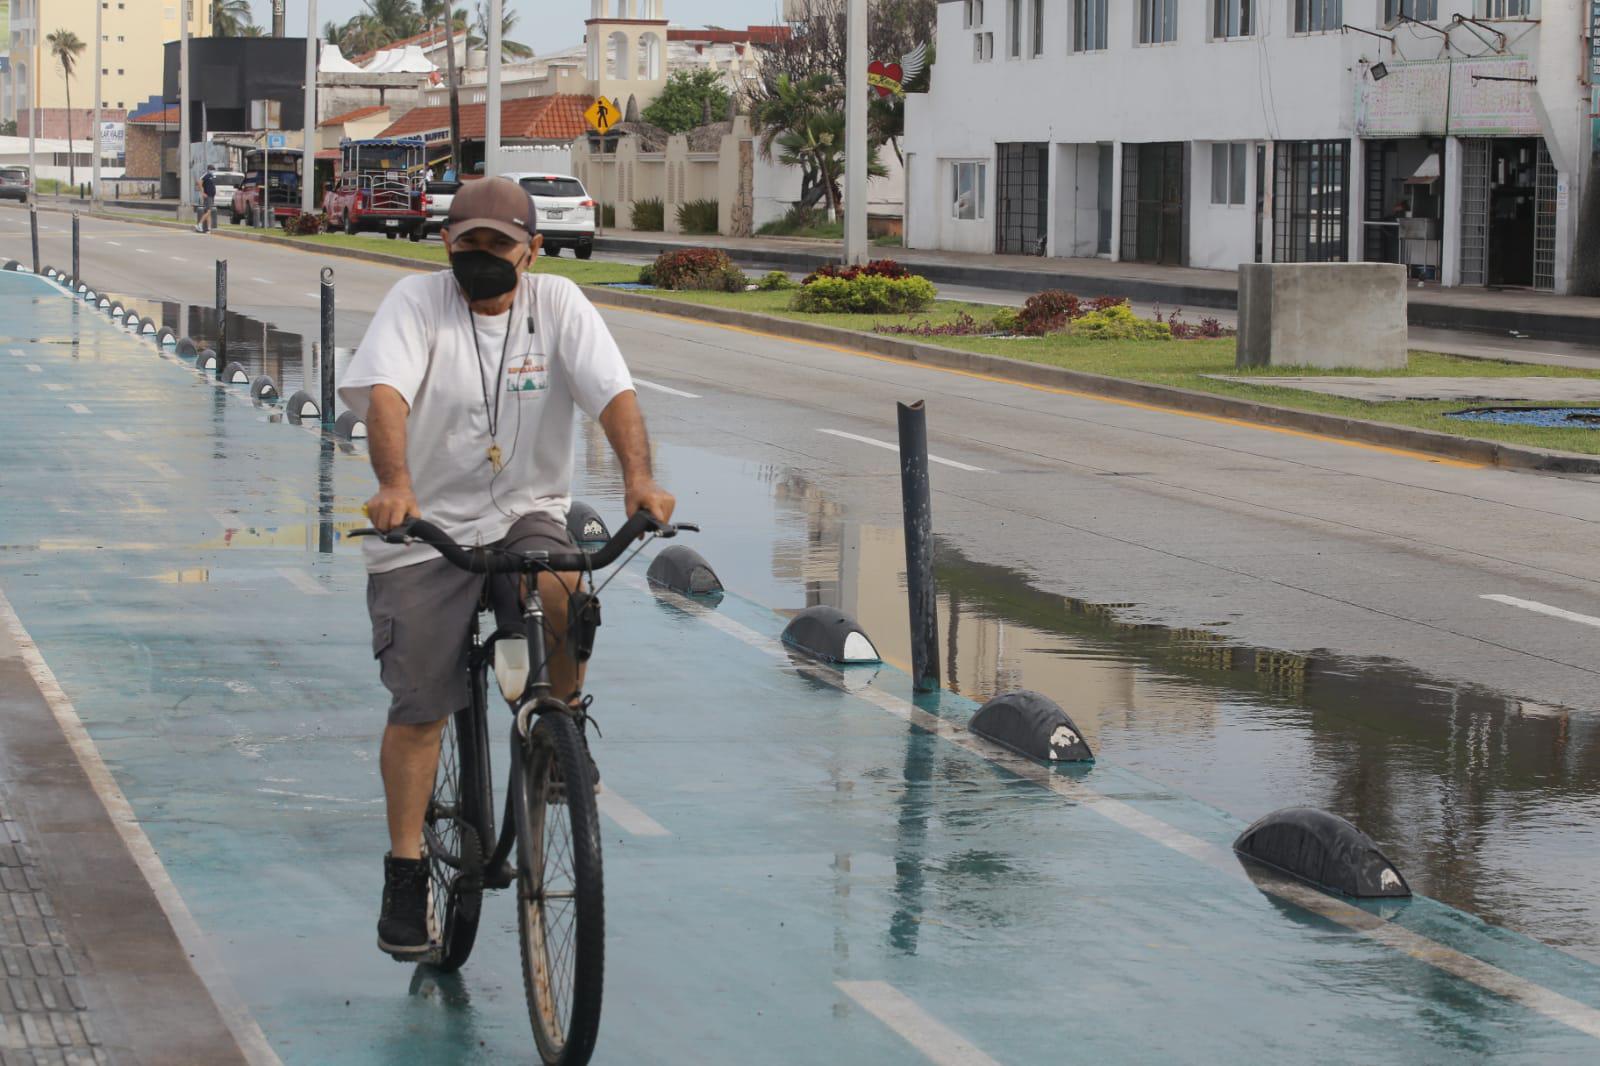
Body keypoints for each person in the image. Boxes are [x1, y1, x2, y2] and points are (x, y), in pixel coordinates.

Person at [338, 177, 675, 960]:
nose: (481, 257)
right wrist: (394, 486)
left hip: (526, 510)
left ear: (532, 249)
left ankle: (562, 727)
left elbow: (613, 396)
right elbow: (384, 395)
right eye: (468, 242)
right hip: (424, 527)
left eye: (498, 244)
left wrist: (638, 480)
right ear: (446, 244)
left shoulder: (559, 306)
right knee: (421, 704)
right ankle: (406, 868)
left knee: (564, 587)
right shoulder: (415, 302)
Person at [194, 165, 216, 234]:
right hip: (208, 196)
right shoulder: (206, 175)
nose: (213, 171)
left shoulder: (211, 176)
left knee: (208, 212)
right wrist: (202, 193)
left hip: (211, 196)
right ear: (208, 169)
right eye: (212, 169)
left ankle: (209, 229)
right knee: (209, 211)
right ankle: (199, 224)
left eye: (213, 169)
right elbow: (199, 182)